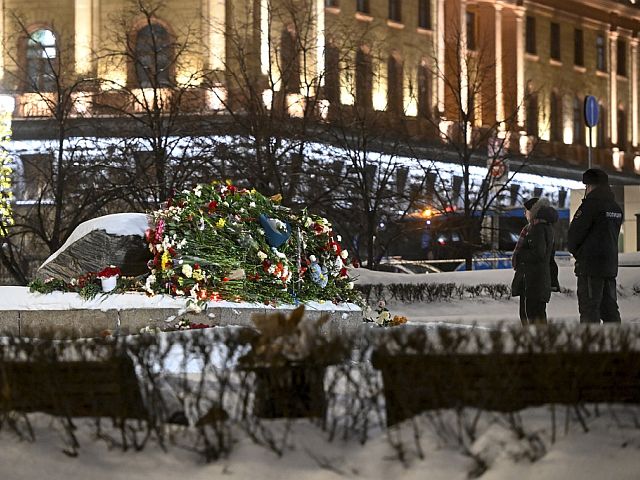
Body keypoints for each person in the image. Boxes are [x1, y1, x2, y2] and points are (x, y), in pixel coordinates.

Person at [567, 168, 623, 323]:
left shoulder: (590, 206)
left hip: (590, 267)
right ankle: (616, 343)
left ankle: (591, 344)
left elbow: (574, 236)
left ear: (590, 186)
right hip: (609, 267)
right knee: (610, 308)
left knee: (589, 309)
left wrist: (580, 254)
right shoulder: (615, 208)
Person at [511, 197, 559, 325]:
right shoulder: (547, 228)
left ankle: (534, 343)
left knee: (530, 316)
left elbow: (538, 253)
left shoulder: (536, 229)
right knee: (538, 316)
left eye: (526, 210)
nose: (524, 214)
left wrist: (520, 255)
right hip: (538, 280)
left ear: (532, 211)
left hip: (533, 280)